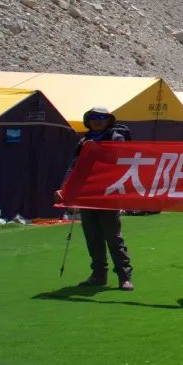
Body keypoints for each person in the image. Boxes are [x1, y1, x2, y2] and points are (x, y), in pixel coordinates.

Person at [55, 107, 134, 291]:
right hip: (87, 195)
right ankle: (99, 275)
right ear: (88, 120)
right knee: (92, 237)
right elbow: (74, 167)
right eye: (93, 117)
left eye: (101, 117)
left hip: (108, 195)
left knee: (113, 237)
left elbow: (119, 157)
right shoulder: (84, 141)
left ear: (108, 120)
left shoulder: (116, 137)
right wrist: (64, 188)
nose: (97, 120)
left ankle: (125, 276)